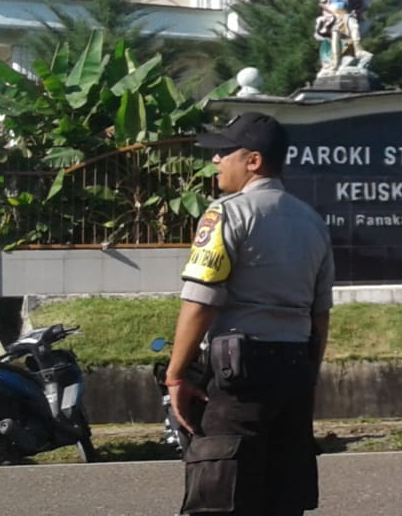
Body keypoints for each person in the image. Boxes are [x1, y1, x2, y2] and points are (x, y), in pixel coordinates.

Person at [163, 112, 334, 516]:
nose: (216, 161)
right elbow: (320, 315)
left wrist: (175, 375)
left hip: (239, 375)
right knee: (283, 502)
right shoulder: (313, 222)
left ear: (253, 161)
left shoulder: (225, 214)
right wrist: (308, 378)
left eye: (225, 152)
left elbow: (200, 302)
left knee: (220, 498)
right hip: (294, 370)